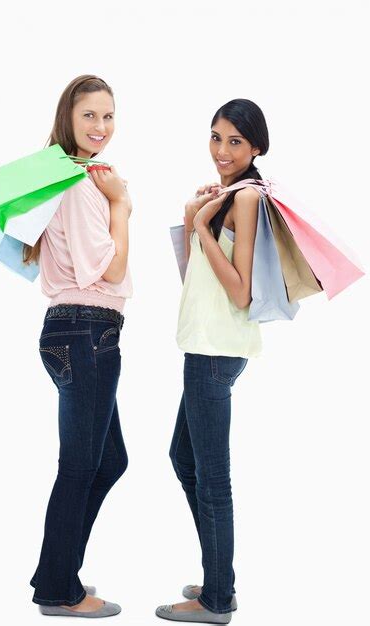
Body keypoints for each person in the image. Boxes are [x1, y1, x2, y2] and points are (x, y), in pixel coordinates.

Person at [156, 99, 269, 624]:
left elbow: (241, 293)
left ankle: (217, 600)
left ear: (256, 149)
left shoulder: (245, 198)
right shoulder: (226, 196)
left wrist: (203, 228)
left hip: (214, 351)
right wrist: (191, 217)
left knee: (213, 474)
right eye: (216, 137)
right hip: (206, 345)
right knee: (185, 458)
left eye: (235, 142)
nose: (222, 151)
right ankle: (219, 578)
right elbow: (195, 281)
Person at [24, 74, 133, 618]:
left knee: (108, 459)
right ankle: (59, 591)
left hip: (79, 331)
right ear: (68, 117)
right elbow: (110, 268)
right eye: (90, 115)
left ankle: (54, 569)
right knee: (80, 466)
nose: (101, 127)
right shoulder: (79, 185)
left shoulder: (70, 179)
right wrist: (123, 204)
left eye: (109, 116)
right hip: (86, 331)